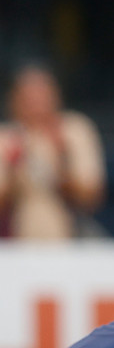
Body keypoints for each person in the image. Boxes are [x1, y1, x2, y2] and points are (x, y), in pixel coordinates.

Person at [0, 63, 106, 239]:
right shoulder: (6, 137)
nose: (36, 106)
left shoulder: (74, 129)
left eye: (42, 97)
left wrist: (61, 160)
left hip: (71, 233)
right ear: (14, 100)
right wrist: (13, 167)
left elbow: (92, 197)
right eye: (28, 98)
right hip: (15, 238)